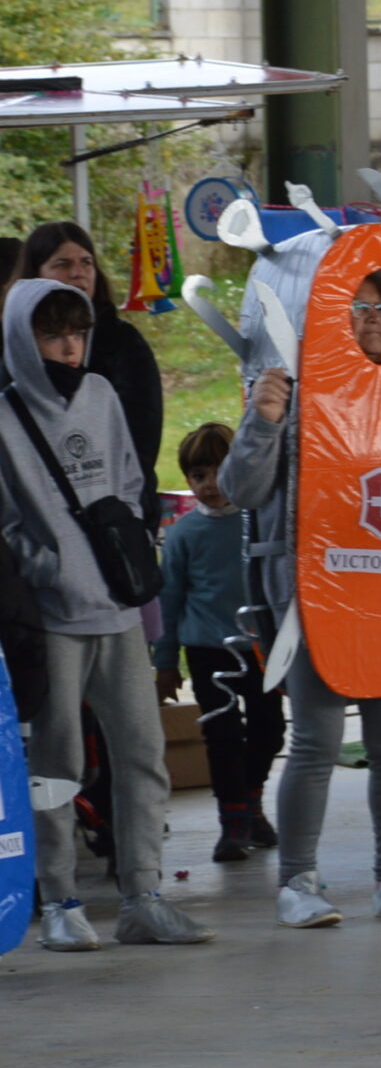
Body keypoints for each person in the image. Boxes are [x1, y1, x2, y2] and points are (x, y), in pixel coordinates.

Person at [225, 270, 381, 927]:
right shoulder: (291, 394)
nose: (372, 318)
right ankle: (298, 880)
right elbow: (241, 489)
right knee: (316, 742)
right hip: (313, 598)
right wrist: (264, 424)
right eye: (358, 306)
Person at [4, 281, 209, 948]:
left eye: (78, 333)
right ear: (21, 340)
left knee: (143, 751)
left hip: (118, 605)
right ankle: (61, 899)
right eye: (52, 335)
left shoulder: (101, 396)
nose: (69, 347)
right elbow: (7, 521)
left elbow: (128, 480)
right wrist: (51, 566)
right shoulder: (5, 414)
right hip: (55, 616)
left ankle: (143, 894)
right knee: (57, 761)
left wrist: (123, 554)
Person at [155, 422, 284, 863]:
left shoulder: (264, 520)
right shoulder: (183, 534)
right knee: (222, 735)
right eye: (199, 475)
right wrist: (166, 663)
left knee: (270, 731)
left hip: (263, 649)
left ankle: (251, 803)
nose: (211, 485)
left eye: (222, 472)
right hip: (209, 650)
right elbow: (169, 600)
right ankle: (233, 823)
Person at [14, 222, 162, 517]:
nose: (78, 273)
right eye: (63, 264)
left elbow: (140, 440)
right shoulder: (15, 347)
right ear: (36, 274)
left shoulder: (122, 342)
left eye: (86, 263)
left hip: (114, 505)